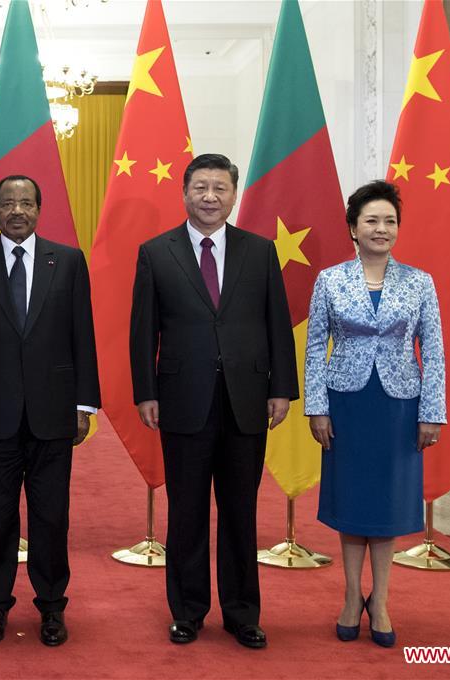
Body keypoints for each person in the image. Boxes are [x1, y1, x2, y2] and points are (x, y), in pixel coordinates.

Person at [129, 153, 298, 649]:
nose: (210, 197)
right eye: (200, 187)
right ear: (184, 193)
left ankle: (243, 613)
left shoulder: (259, 251)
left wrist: (281, 387)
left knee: (241, 510)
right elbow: (143, 330)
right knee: (186, 511)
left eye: (220, 188)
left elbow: (277, 322)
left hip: (247, 398)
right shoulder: (156, 252)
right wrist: (146, 391)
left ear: (233, 195)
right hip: (182, 398)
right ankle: (187, 611)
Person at [0, 175, 100, 647]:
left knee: (52, 517)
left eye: (26, 203)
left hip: (54, 413)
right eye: (8, 203)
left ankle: (52, 607)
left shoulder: (67, 261)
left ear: (39, 209)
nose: (17, 211)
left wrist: (84, 403)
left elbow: (83, 335)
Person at [304, 180, 446, 648]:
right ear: (353, 227)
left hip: (399, 406)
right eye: (371, 220)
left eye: (390, 221)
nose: (381, 228)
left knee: (386, 504)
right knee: (352, 503)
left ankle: (380, 600)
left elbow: (434, 351)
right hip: (346, 404)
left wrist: (432, 412)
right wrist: (317, 407)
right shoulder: (329, 280)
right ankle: (351, 596)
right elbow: (314, 348)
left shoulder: (420, 282)